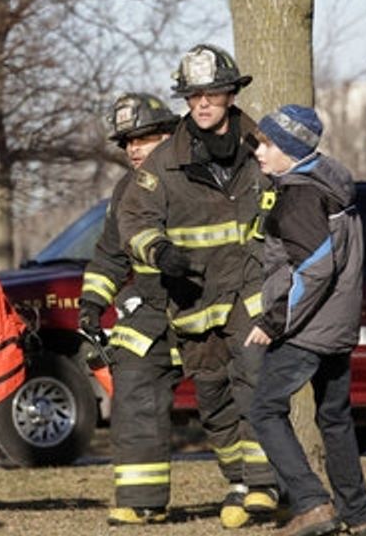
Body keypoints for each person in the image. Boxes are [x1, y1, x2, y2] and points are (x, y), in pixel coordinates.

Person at [116, 44, 279, 529]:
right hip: (193, 299)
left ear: (231, 92)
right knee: (214, 400)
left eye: (211, 93)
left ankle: (265, 484)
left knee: (255, 380)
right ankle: (239, 481)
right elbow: (134, 219)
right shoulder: (163, 163)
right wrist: (159, 252)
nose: (203, 103)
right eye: (193, 95)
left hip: (251, 290)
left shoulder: (262, 147)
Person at [244, 105, 366, 536]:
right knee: (335, 419)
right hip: (337, 325)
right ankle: (359, 517)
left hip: (307, 328)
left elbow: (315, 268)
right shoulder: (329, 184)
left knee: (264, 409)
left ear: (289, 147)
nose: (259, 153)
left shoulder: (301, 194)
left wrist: (274, 320)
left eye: (266, 144)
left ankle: (312, 503)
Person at [76, 92, 182, 525]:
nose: (134, 149)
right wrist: (91, 302)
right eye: (128, 142)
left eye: (145, 138)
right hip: (150, 309)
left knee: (228, 400)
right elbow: (110, 257)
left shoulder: (199, 180)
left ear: (169, 135)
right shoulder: (125, 190)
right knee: (134, 392)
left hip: (207, 302)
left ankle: (256, 489)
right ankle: (143, 500)